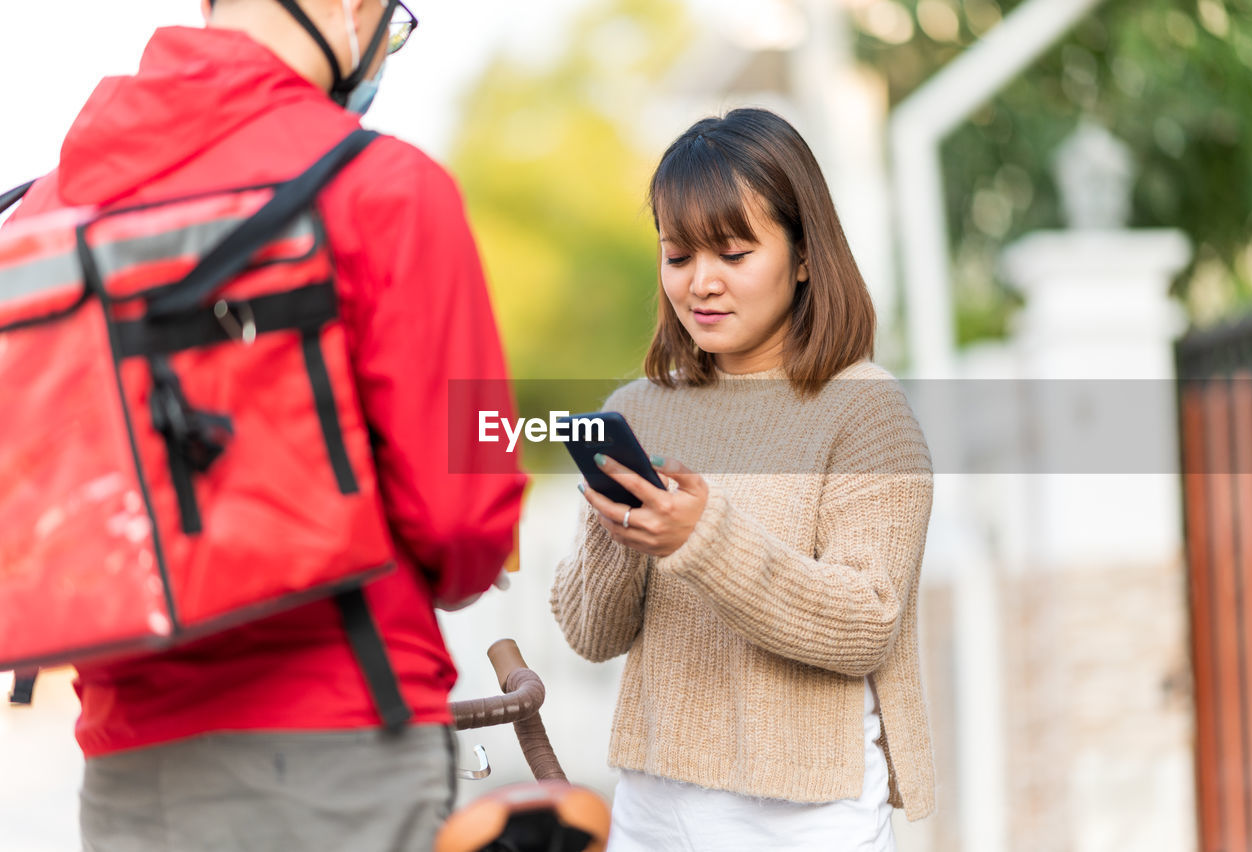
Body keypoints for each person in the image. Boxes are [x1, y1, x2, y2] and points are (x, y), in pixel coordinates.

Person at [4, 1, 526, 848]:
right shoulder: (386, 188)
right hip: (343, 751)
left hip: (124, 772)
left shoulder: (40, 218)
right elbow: (466, 519)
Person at [550, 108, 935, 851]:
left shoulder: (866, 411)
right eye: (678, 255)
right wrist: (622, 533)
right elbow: (592, 636)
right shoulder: (635, 410)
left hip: (809, 818)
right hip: (652, 809)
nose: (701, 284)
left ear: (801, 255)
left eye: (732, 252)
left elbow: (867, 623)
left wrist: (703, 537)